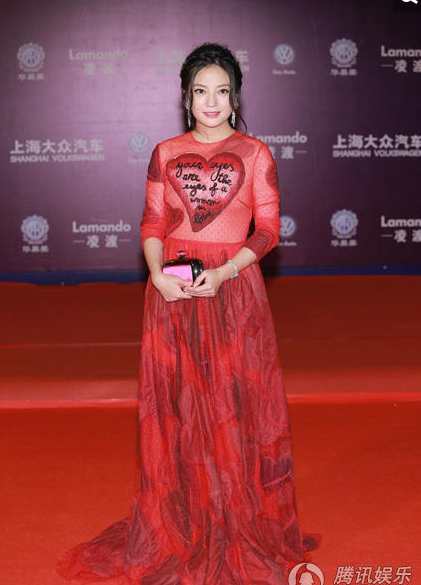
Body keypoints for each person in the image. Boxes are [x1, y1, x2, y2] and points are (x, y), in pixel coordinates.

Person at [56, 42, 321, 585]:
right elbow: (152, 223)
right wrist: (156, 274)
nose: (212, 102)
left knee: (233, 407)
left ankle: (237, 520)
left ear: (235, 97)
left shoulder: (256, 154)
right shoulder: (165, 152)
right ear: (186, 97)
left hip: (235, 295)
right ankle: (188, 522)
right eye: (201, 91)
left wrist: (225, 272)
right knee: (181, 411)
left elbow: (268, 230)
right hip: (173, 294)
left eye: (222, 91)